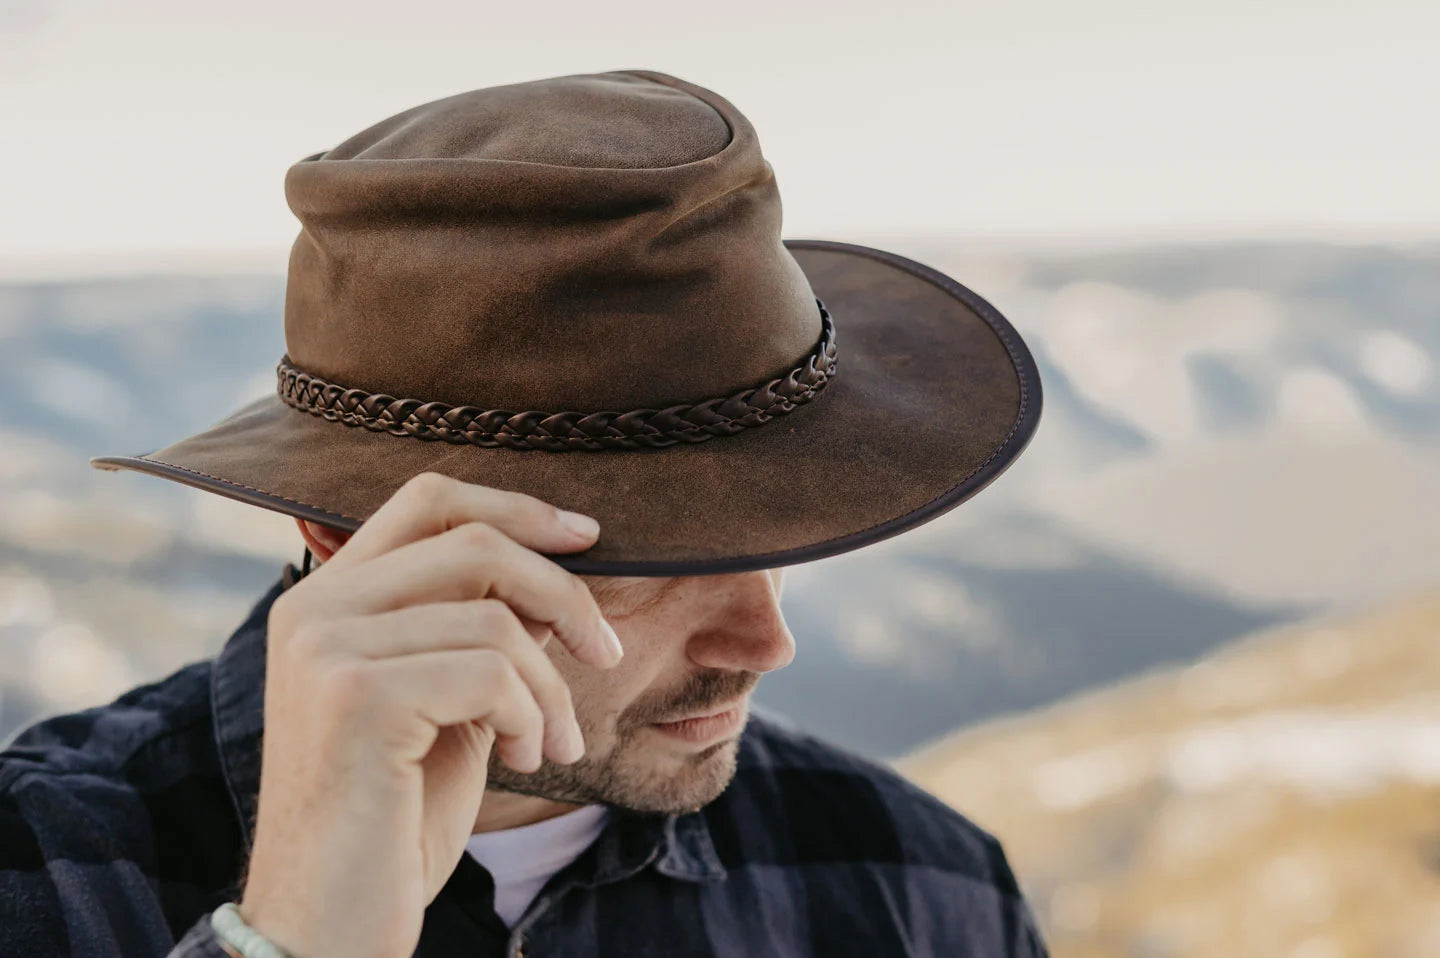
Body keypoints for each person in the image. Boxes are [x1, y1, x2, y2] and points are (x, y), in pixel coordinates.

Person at [0, 69, 1047, 957]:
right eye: (647, 560)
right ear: (342, 531)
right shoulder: (42, 871)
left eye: (777, 537)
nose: (766, 640)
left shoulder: (923, 889)